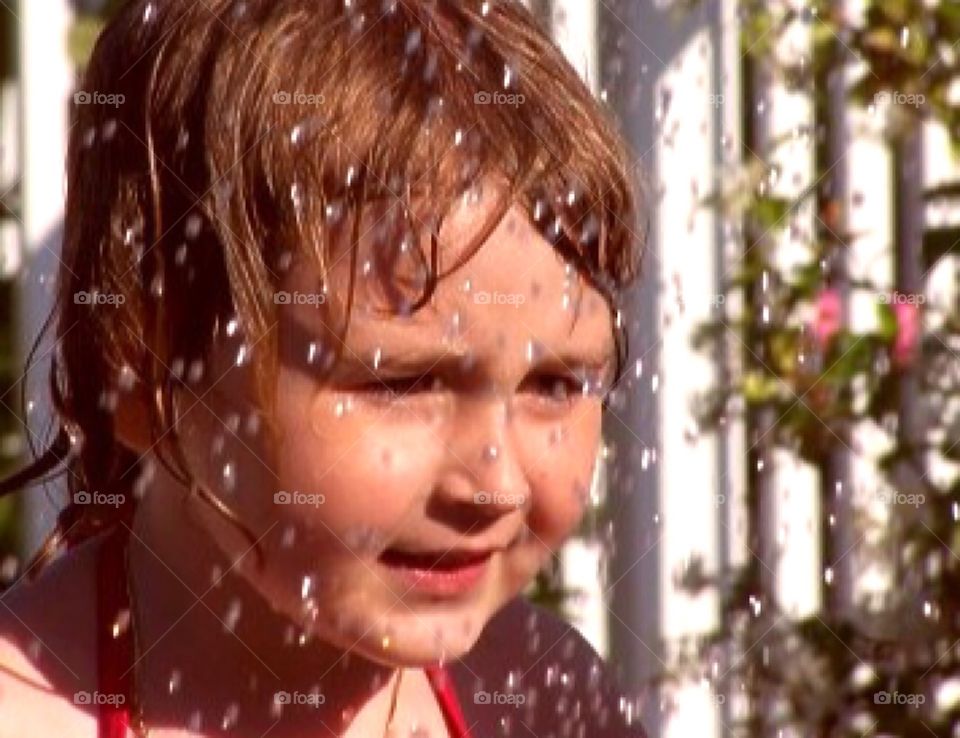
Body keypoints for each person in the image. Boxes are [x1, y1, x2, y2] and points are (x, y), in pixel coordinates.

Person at [0, 0, 648, 735]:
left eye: (554, 384)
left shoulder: (538, 695)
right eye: (402, 383)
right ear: (144, 374)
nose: (496, 486)